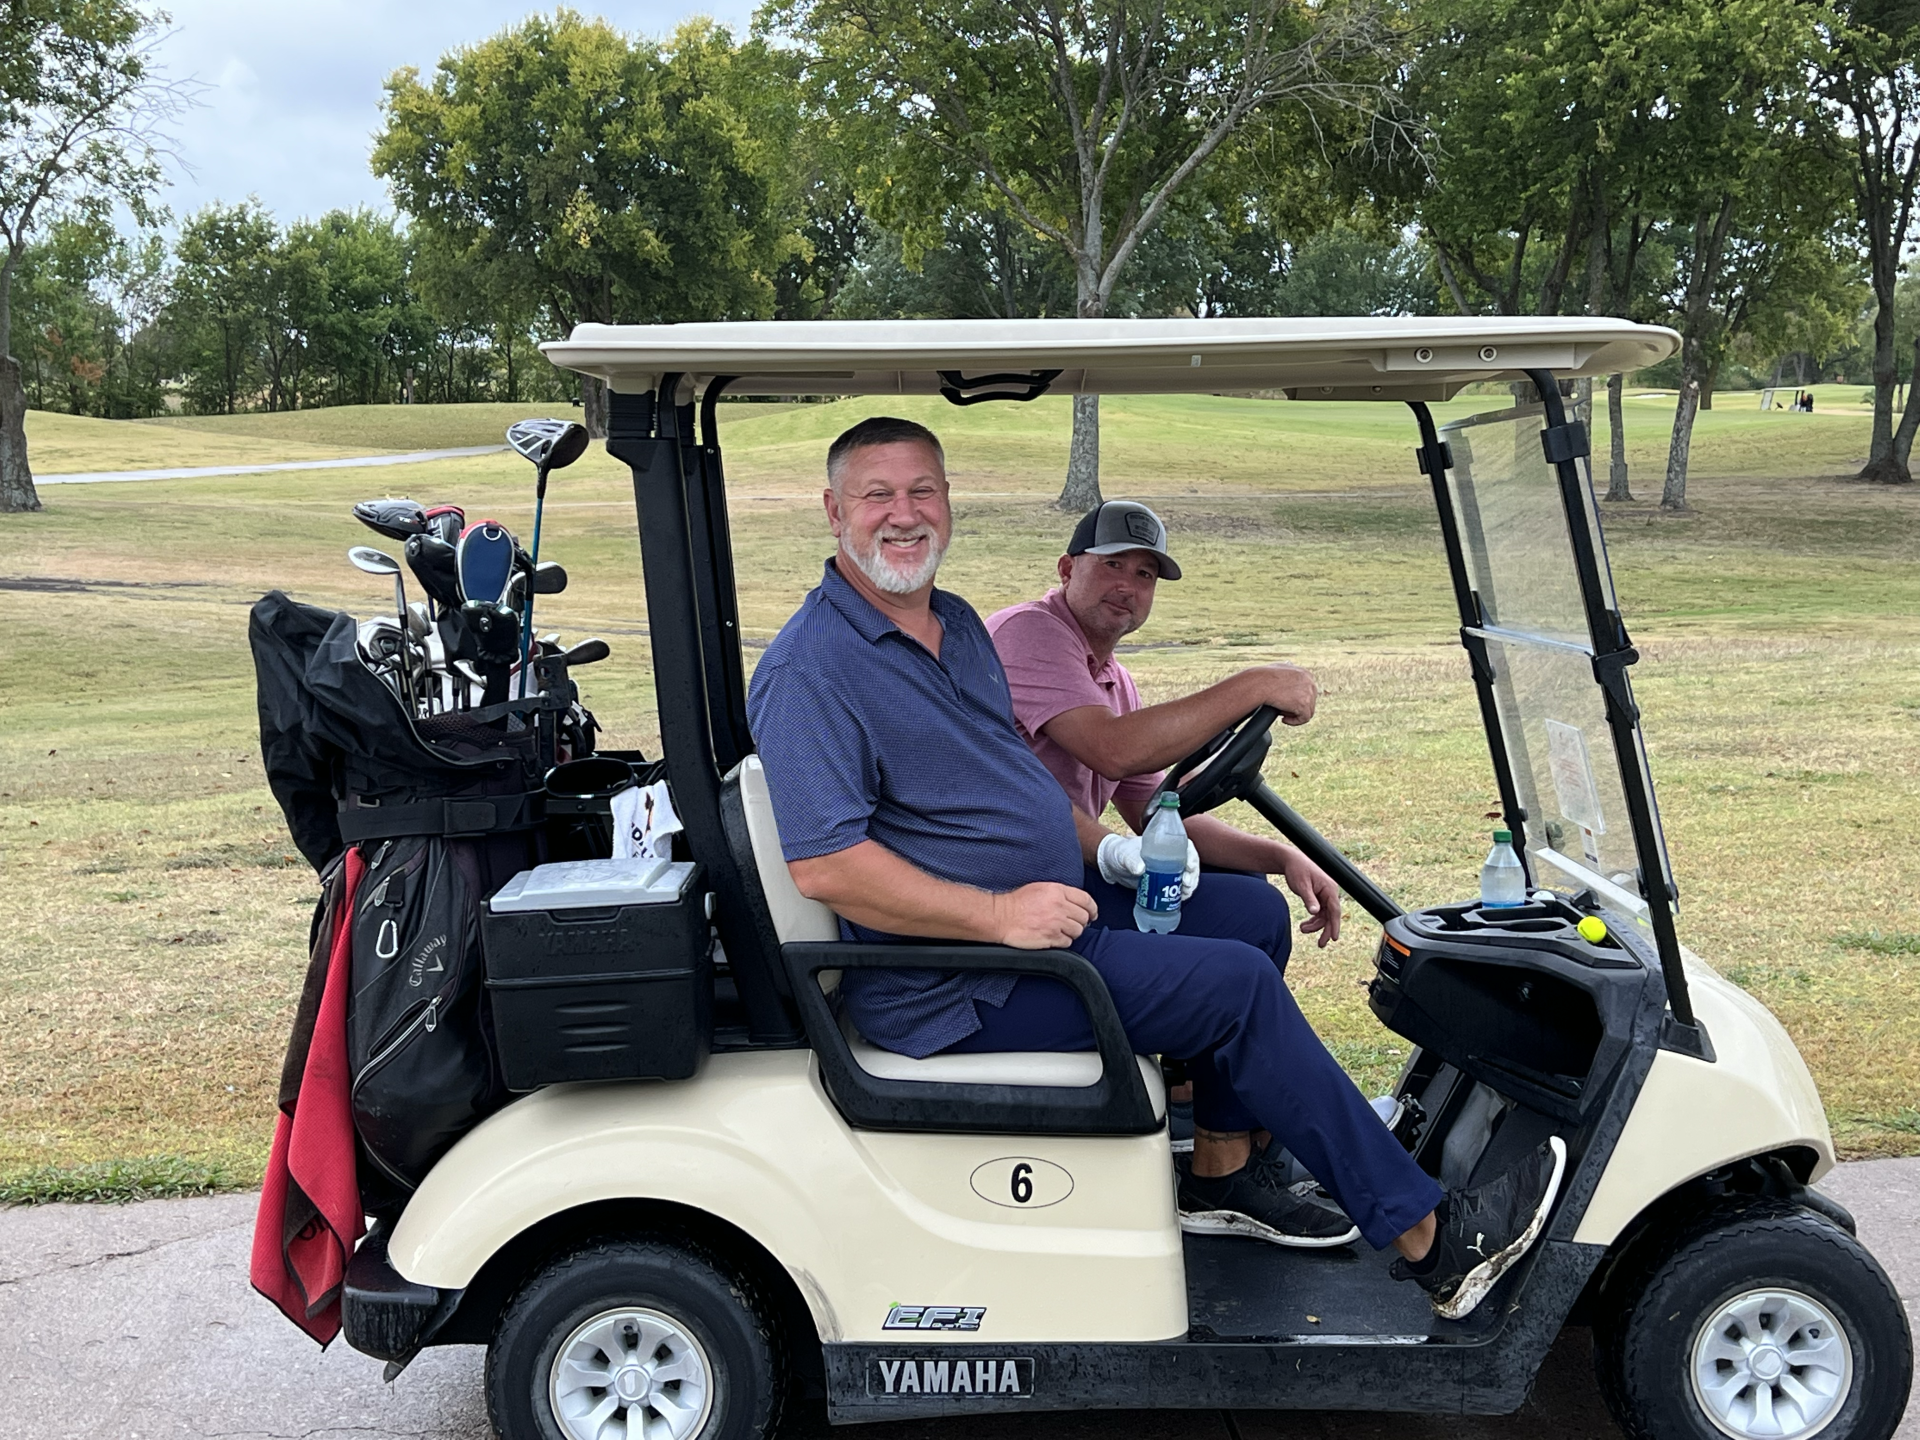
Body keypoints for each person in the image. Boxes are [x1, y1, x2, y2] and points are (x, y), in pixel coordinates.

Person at [745, 415, 1565, 1320]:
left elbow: (1024, 791)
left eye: (922, 491)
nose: (903, 515)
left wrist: (1111, 853)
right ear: (833, 511)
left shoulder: (956, 626)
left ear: (947, 503)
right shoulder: (813, 668)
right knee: (1237, 986)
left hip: (1040, 913)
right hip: (955, 978)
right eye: (877, 495)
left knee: (1249, 915)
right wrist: (998, 918)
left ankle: (1221, 1173)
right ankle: (1432, 1241)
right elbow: (826, 866)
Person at [984, 500, 1340, 1156]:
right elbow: (1116, 750)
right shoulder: (1027, 635)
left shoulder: (1113, 679)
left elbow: (1155, 813)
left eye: (1145, 574)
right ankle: (1227, 1153)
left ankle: (1230, 1134)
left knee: (1258, 907)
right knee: (1242, 934)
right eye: (1111, 564)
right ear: (1067, 568)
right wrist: (1256, 682)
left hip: (1074, 875)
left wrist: (1279, 856)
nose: (1128, 584)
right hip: (1015, 899)